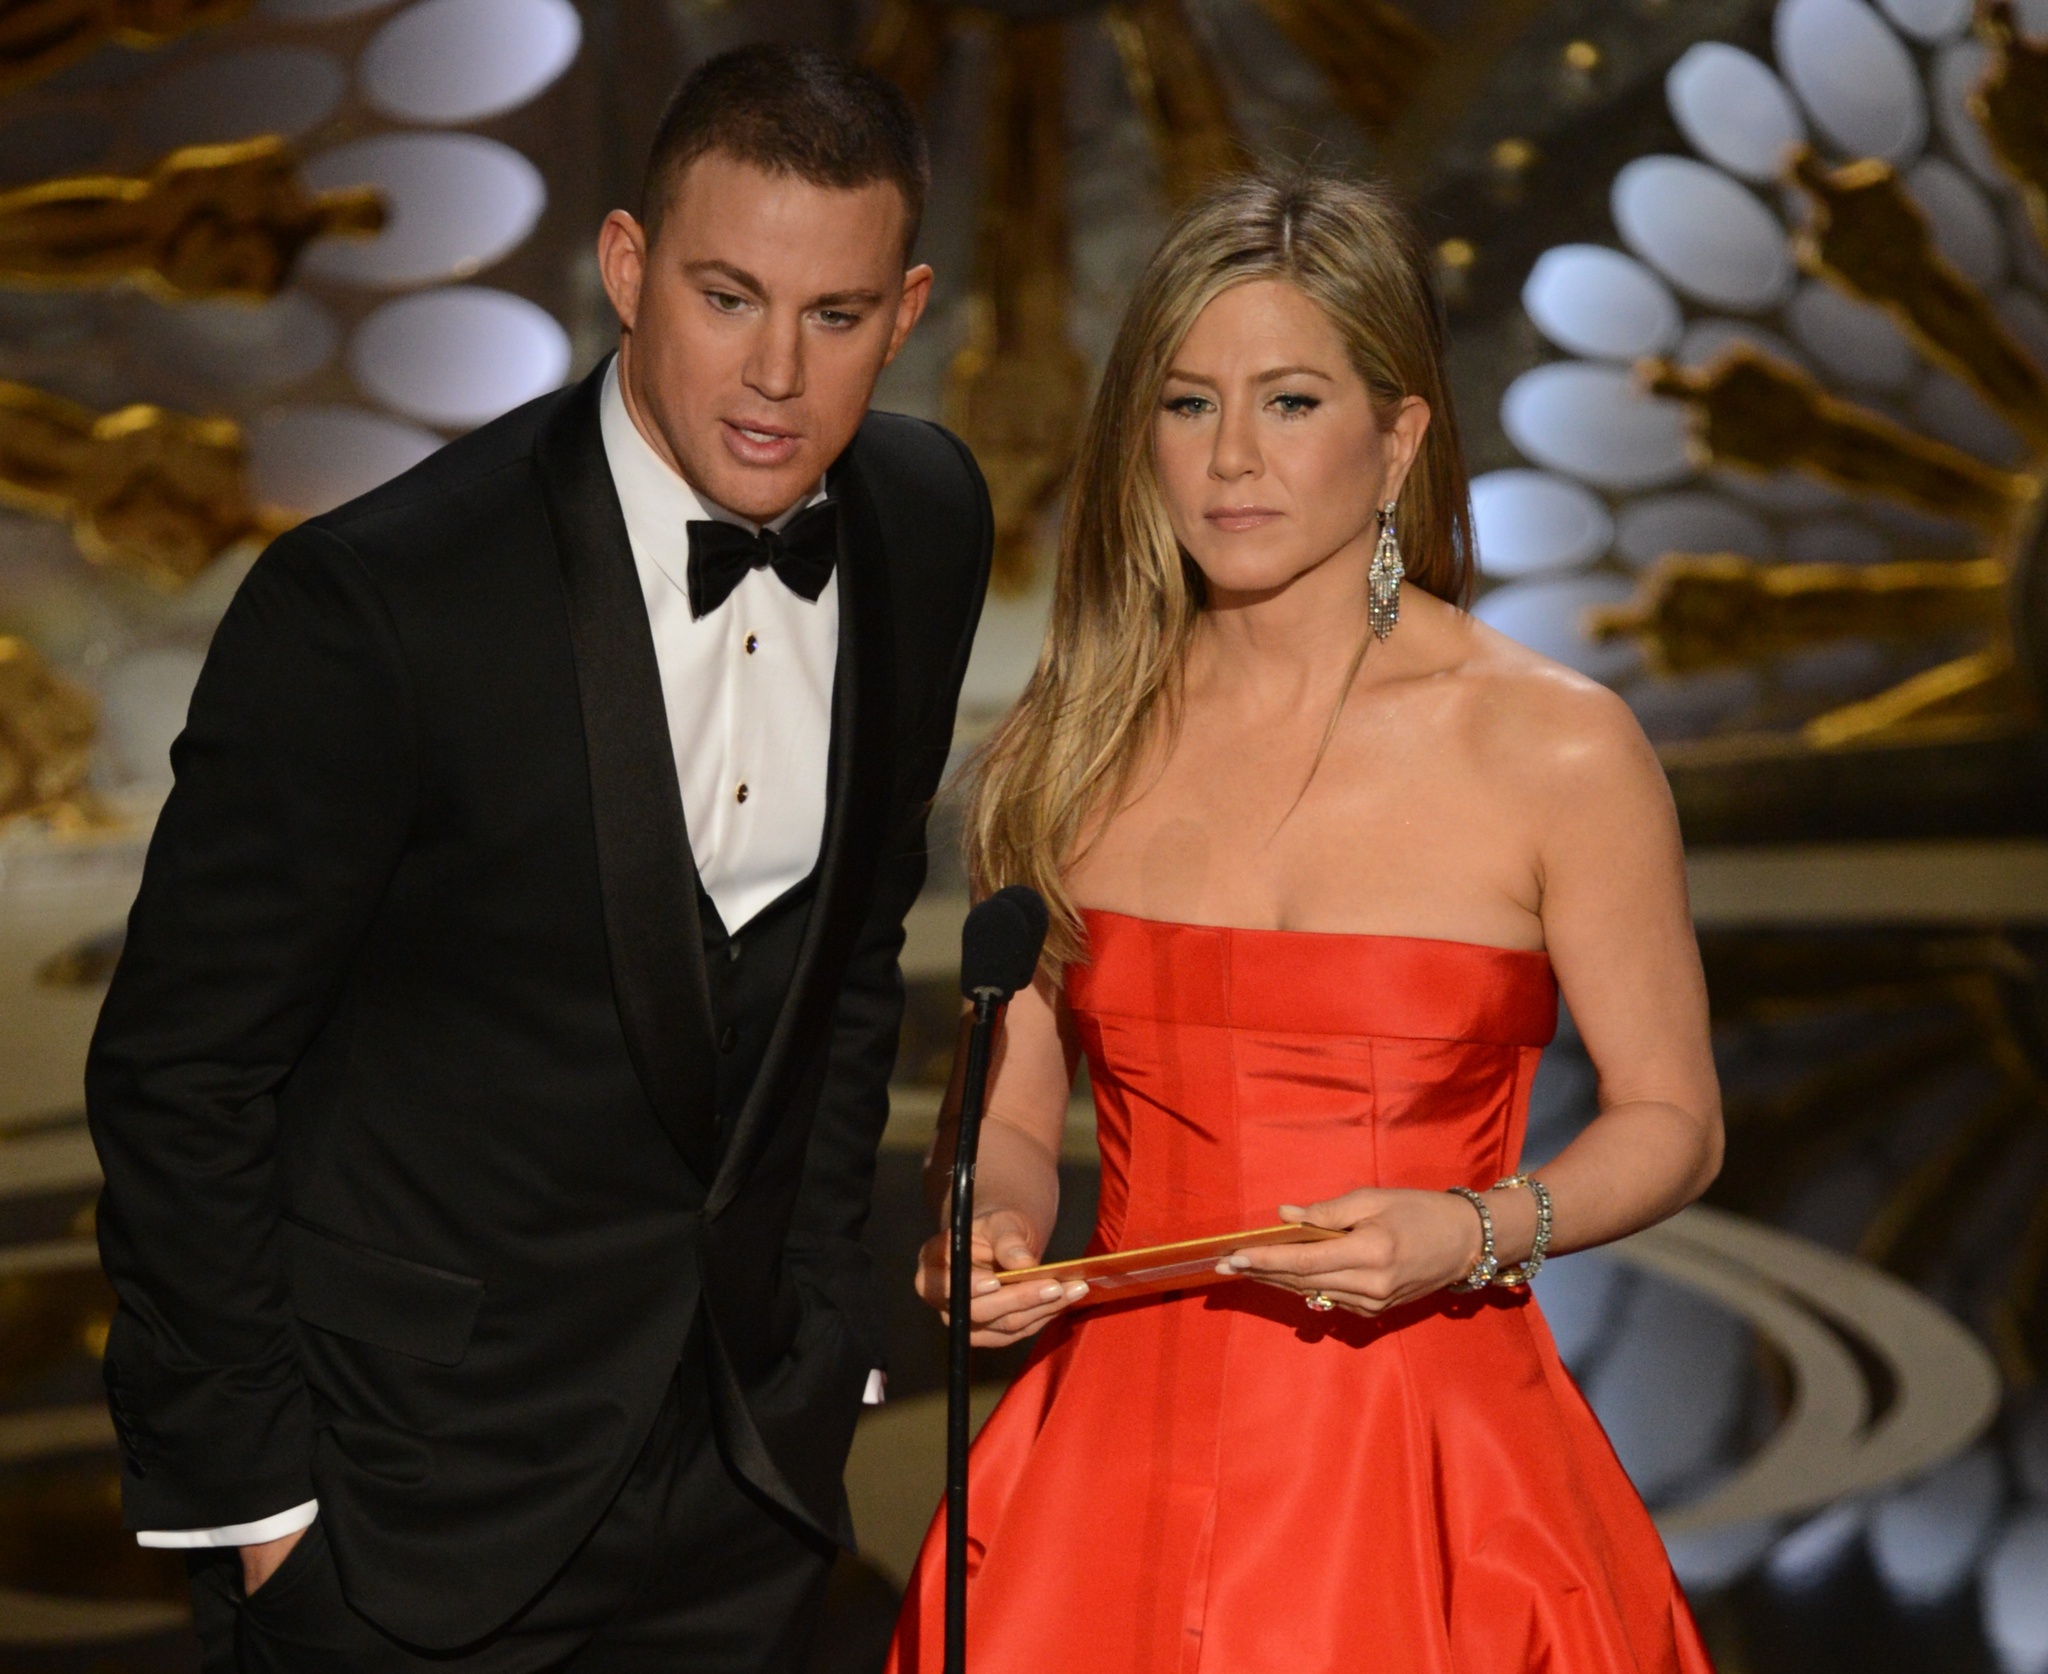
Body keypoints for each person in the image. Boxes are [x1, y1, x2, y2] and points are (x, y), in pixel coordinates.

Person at [86, 43, 990, 1673]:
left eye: (836, 316)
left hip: (746, 1491)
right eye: (728, 296)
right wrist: (266, 1512)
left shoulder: (926, 520)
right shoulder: (378, 606)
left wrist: (817, 1332)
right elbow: (180, 1070)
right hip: (405, 1507)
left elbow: (854, 956)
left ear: (907, 309)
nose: (778, 372)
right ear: (629, 268)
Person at [890, 166, 1723, 1673]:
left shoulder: (1558, 747)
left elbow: (1673, 1118)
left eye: (1288, 401)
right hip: (1103, 1477)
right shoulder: (1064, 742)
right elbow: (1012, 1099)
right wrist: (989, 1217)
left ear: (1397, 436)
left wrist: (1473, 1228)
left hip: (1431, 1474)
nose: (1231, 462)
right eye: (1188, 403)